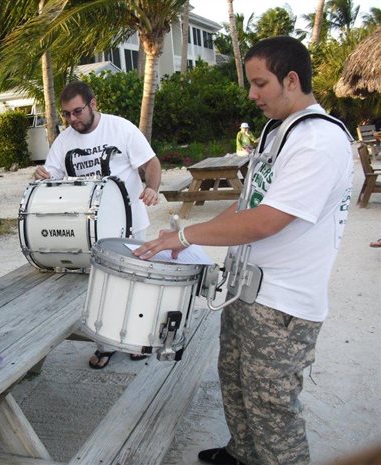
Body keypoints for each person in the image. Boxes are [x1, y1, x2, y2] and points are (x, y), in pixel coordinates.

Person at [134, 36, 353, 465]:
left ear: (291, 80)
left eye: (260, 84)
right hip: (248, 291)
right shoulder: (280, 132)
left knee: (272, 406)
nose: (251, 95)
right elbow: (249, 201)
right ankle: (243, 453)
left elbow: (267, 220)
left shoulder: (317, 142)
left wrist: (185, 236)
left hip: (283, 305)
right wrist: (184, 238)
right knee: (234, 380)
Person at [34, 81, 162, 369]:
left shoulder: (121, 128)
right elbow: (50, 173)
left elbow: (151, 163)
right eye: (66, 114)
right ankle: (106, 345)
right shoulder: (65, 140)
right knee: (100, 287)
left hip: (129, 222)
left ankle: (137, 340)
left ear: (93, 104)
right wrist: (41, 173)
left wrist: (152, 188)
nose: (72, 119)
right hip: (89, 228)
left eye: (77, 111)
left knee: (135, 282)